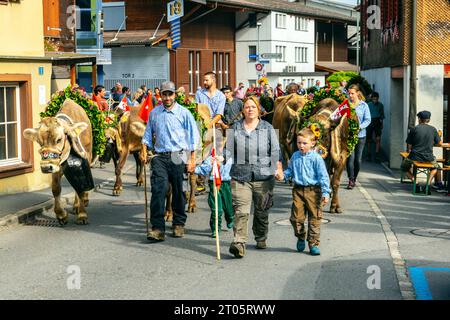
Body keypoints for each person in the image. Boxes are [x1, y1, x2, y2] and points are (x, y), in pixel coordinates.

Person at [141, 81, 200, 242]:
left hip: (178, 155)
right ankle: (158, 228)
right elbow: (147, 135)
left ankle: (178, 223)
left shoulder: (184, 113)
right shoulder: (154, 113)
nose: (167, 97)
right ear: (160, 95)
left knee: (180, 191)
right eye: (164, 94)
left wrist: (192, 159)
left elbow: (194, 137)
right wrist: (145, 150)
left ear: (175, 95)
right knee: (158, 191)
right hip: (160, 156)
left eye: (170, 94)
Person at [226, 96, 284, 258]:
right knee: (241, 211)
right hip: (240, 176)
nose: (250, 109)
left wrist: (278, 167)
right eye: (247, 107)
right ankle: (239, 242)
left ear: (259, 110)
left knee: (262, 211)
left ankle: (260, 236)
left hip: (264, 177)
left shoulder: (268, 128)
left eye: (253, 107)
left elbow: (275, 151)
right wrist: (220, 157)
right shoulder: (235, 128)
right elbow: (228, 149)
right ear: (242, 110)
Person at [279, 128, 330, 256]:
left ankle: (313, 243)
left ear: (312, 143)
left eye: (304, 143)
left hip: (314, 191)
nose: (301, 146)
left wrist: (325, 193)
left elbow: (323, 176)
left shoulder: (317, 159)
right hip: (298, 191)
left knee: (315, 218)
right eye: (299, 143)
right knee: (296, 218)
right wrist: (282, 176)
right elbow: (290, 171)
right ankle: (301, 236)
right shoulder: (295, 156)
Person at [195, 147, 234, 238]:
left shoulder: (231, 157)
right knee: (216, 209)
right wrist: (193, 169)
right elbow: (203, 170)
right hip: (214, 184)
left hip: (227, 184)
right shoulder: (211, 158)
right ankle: (216, 228)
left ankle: (230, 218)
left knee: (229, 208)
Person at [401, 111, 444, 192]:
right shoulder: (433, 129)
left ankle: (415, 182)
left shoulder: (414, 129)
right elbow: (440, 143)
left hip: (414, 156)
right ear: (429, 120)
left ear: (419, 119)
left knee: (403, 167)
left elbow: (409, 146)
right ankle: (428, 184)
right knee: (436, 167)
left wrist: (410, 151)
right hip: (429, 157)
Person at [346, 84, 371, 189]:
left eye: (352, 93)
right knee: (350, 159)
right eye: (349, 93)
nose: (350, 95)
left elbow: (368, 120)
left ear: (357, 93)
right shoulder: (346, 104)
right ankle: (351, 179)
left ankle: (355, 177)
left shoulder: (364, 105)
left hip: (361, 136)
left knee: (358, 160)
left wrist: (359, 127)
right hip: (349, 136)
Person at [366, 92, 385, 162]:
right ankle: (368, 153)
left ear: (378, 98)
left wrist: (382, 124)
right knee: (369, 139)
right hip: (370, 122)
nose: (375, 101)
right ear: (371, 99)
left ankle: (377, 154)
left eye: (376, 99)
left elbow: (382, 116)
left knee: (378, 139)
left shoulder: (381, 105)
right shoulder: (368, 105)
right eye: (374, 99)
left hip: (377, 121)